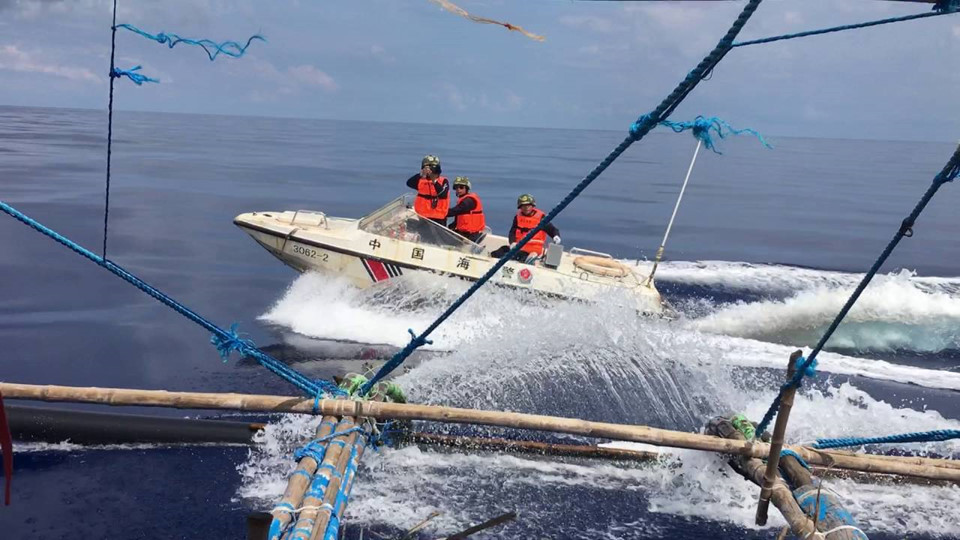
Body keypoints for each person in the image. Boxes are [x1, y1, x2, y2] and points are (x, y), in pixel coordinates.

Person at [491, 194, 561, 262]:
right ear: (520, 207)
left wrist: (556, 236)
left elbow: (552, 229)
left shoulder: (541, 218)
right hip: (519, 246)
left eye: (528, 205)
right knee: (502, 250)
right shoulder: (517, 217)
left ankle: (533, 259)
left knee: (519, 256)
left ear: (532, 206)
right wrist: (512, 242)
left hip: (534, 248)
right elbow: (512, 232)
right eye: (524, 206)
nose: (526, 208)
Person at [405, 155, 449, 224]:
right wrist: (421, 174)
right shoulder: (421, 181)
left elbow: (443, 194)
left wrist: (433, 179)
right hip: (423, 216)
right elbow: (409, 183)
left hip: (438, 218)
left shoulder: (443, 181)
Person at [446, 176, 486, 242]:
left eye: (461, 187)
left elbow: (454, 211)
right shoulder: (463, 200)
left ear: (467, 188)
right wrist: (452, 226)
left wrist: (440, 213)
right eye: (456, 187)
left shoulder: (468, 201)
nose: (458, 189)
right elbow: (459, 216)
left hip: (471, 235)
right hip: (464, 233)